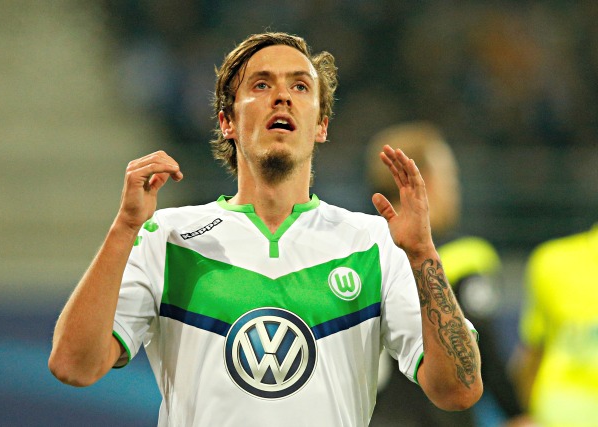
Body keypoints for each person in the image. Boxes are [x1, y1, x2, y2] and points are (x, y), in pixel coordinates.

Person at [49, 32, 482, 426]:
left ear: (321, 125)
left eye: (300, 86)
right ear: (227, 121)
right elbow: (73, 365)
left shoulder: (374, 243)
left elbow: (459, 391)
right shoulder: (167, 236)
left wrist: (423, 254)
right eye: (261, 85)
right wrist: (124, 227)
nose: (282, 97)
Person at [364, 122, 527, 427]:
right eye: (450, 177)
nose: (455, 189)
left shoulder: (356, 256)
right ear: (422, 180)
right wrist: (517, 413)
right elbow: (486, 351)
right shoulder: (465, 255)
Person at [511, 223, 598, 427]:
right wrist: (521, 414)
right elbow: (533, 352)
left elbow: (531, 355)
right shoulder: (552, 262)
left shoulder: (552, 259)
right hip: (559, 411)